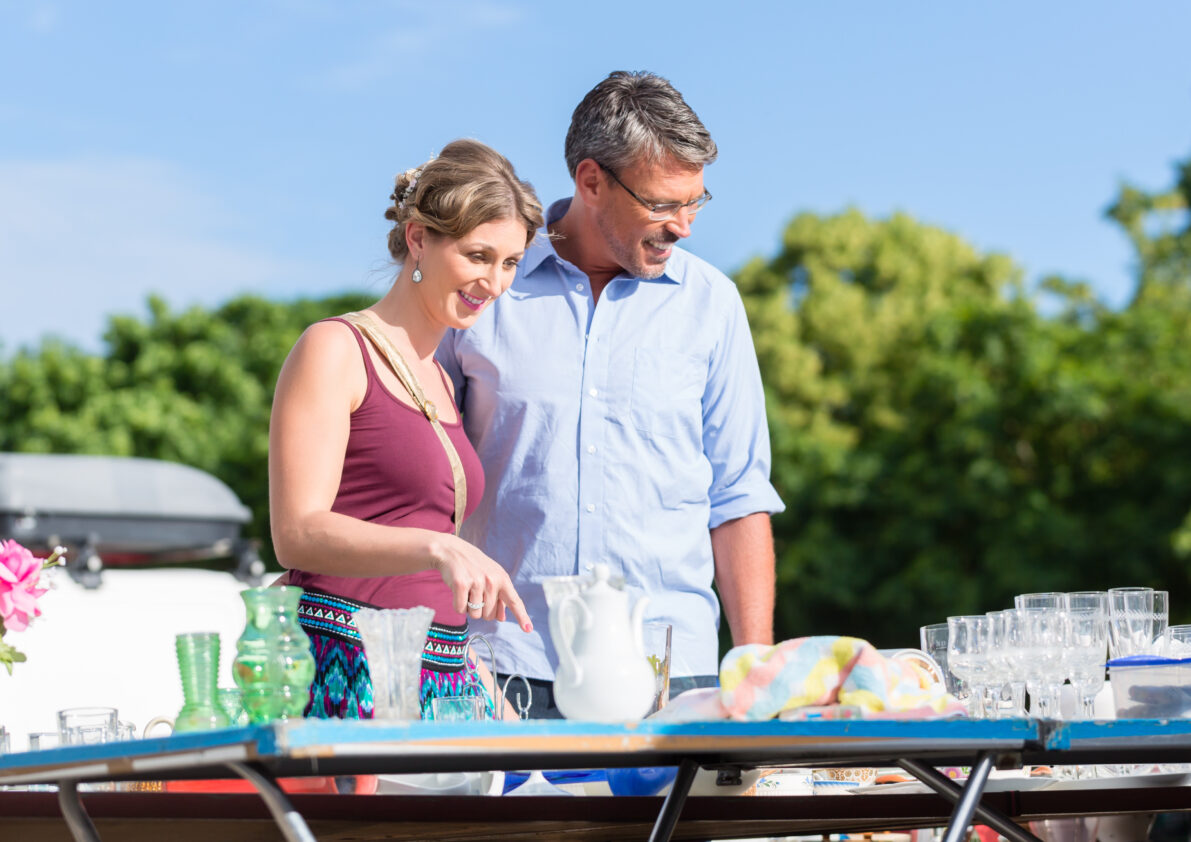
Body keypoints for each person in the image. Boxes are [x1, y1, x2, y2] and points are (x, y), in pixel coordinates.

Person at [437, 71, 785, 717]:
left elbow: (737, 493)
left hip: (671, 674)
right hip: (505, 666)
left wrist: (754, 674)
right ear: (590, 180)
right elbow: (424, 482)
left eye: (695, 202)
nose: (682, 226)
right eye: (661, 204)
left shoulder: (711, 304)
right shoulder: (484, 290)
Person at [269, 138, 543, 720]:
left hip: (445, 677)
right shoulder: (335, 349)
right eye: (477, 256)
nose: (494, 283)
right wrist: (437, 546)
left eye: (510, 263)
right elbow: (296, 533)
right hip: (340, 673)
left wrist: (489, 699)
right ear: (419, 238)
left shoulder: (442, 379)